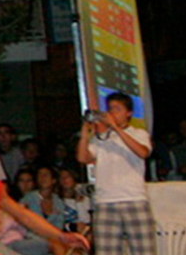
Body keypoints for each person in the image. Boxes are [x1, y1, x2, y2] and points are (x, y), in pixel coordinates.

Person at [75, 92, 155, 255]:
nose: (111, 113)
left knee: (144, 250)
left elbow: (143, 153)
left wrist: (116, 128)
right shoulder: (101, 138)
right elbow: (83, 157)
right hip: (105, 202)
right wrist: (85, 132)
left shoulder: (139, 134)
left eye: (117, 109)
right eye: (110, 109)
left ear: (129, 113)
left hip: (134, 199)